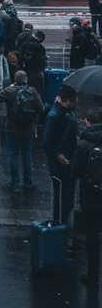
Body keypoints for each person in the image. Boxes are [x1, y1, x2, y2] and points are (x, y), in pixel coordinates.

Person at [0, 70, 44, 191]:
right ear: (26, 80)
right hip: (28, 129)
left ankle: (14, 182)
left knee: (13, 155)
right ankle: (28, 182)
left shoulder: (10, 91)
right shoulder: (32, 91)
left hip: (12, 129)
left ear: (15, 80)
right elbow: (41, 108)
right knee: (27, 155)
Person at [72, 107, 102, 288]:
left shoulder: (83, 144)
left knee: (92, 237)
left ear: (88, 122)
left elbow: (75, 172)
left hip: (91, 197)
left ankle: (92, 275)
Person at [43, 84, 79, 227]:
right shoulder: (55, 116)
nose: (77, 103)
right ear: (67, 101)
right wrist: (57, 155)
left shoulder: (65, 113)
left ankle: (62, 222)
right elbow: (47, 142)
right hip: (60, 163)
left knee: (66, 195)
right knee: (62, 196)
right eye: (75, 100)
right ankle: (60, 223)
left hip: (66, 160)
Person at [20, 29, 48, 100]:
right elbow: (41, 59)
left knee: (27, 90)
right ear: (40, 38)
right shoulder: (39, 47)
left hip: (26, 70)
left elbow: (23, 56)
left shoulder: (24, 44)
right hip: (37, 71)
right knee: (38, 91)